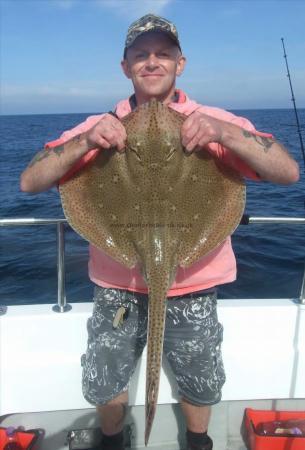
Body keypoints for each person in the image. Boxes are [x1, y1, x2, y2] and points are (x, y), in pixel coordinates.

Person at [20, 13, 299, 450]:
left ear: (180, 63)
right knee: (106, 375)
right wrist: (87, 141)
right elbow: (30, 181)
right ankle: (114, 441)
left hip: (194, 282)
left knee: (199, 378)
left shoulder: (213, 121)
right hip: (118, 285)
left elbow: (288, 172)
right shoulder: (101, 125)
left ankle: (197, 441)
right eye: (141, 55)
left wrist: (226, 134)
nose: (152, 63)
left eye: (163, 54)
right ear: (126, 66)